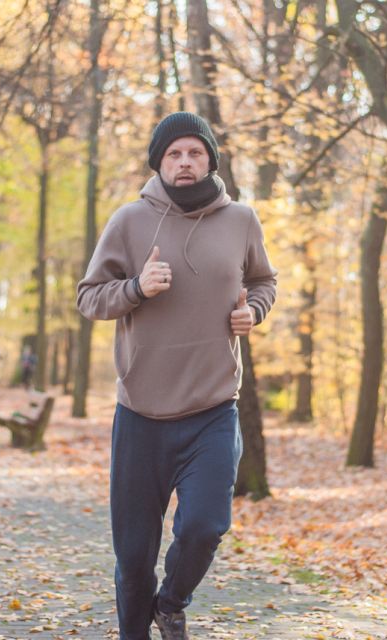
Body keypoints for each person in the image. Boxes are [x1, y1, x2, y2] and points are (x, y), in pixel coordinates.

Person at [76, 112, 277, 640]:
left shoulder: (241, 221)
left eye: (194, 152)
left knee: (206, 525)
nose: (184, 162)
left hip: (213, 408)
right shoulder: (129, 221)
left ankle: (173, 603)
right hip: (141, 412)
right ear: (159, 163)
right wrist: (137, 288)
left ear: (210, 158)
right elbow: (89, 297)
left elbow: (263, 281)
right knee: (134, 556)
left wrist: (253, 311)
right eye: (174, 154)